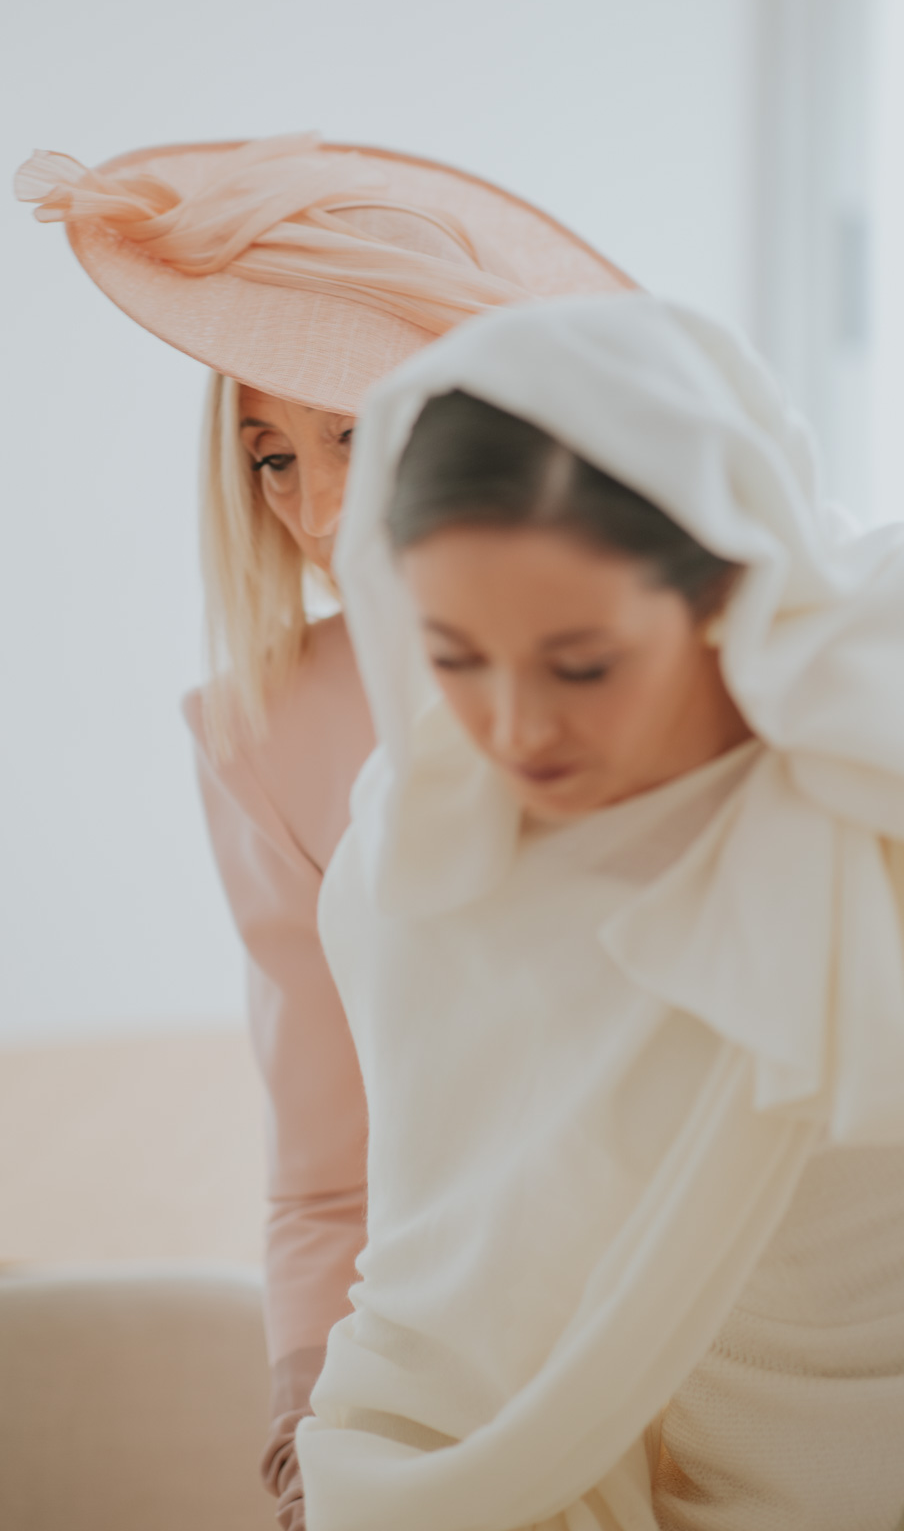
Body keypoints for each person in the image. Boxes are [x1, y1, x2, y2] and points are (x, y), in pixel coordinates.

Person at [297, 292, 904, 1531]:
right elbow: (445, 1289)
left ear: (724, 582)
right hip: (738, 1494)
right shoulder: (437, 856)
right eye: (453, 655)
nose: (514, 726)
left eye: (581, 663)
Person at [13, 135, 633, 1531]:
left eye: (350, 431)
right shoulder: (262, 732)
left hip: (740, 1280)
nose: (311, 504)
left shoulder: (668, 649)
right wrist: (306, 1408)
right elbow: (325, 1165)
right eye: (269, 454)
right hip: (473, 1345)